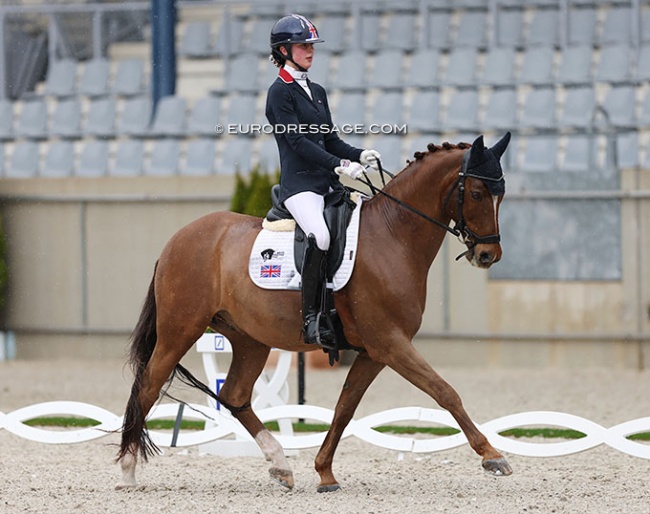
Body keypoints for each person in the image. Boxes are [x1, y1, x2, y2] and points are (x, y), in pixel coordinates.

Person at [265, 14, 381, 349]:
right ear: (285, 50)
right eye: (303, 45)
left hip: (326, 183)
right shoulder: (279, 93)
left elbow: (329, 139)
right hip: (300, 186)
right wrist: (340, 164)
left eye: (311, 45)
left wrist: (359, 155)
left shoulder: (316, 91)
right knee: (321, 235)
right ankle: (312, 317)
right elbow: (298, 143)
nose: (310, 51)